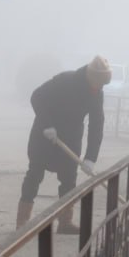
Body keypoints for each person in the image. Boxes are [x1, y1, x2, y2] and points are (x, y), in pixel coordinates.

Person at [17, 55, 110, 233]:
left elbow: (97, 125)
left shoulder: (96, 93)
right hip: (44, 137)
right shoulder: (65, 80)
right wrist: (47, 125)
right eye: (98, 83)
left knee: (69, 180)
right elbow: (36, 97)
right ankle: (22, 222)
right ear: (91, 77)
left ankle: (65, 222)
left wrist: (90, 158)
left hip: (71, 140)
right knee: (34, 175)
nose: (99, 87)